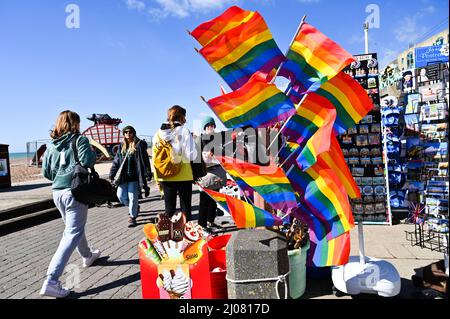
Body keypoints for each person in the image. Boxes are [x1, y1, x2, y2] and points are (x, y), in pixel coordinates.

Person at [40, 110, 101, 298]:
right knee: (71, 233)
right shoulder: (80, 140)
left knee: (73, 228)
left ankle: (87, 256)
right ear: (74, 123)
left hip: (57, 192)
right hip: (75, 191)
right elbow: (87, 160)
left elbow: (46, 173)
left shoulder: (51, 146)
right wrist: (92, 152)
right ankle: (52, 279)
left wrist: (60, 174)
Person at [152, 105, 197, 221]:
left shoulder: (158, 134)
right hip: (184, 175)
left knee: (169, 209)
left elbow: (155, 158)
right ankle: (186, 234)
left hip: (166, 175)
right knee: (185, 208)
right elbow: (192, 155)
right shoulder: (184, 131)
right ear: (182, 117)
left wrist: (157, 178)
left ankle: (169, 235)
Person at [109, 125, 151, 227]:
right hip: (123, 177)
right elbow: (116, 162)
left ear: (134, 133)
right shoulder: (121, 146)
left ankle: (132, 217)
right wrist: (112, 174)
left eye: (130, 132)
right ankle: (135, 207)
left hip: (134, 177)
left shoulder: (139, 145)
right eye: (126, 132)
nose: (128, 134)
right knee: (121, 196)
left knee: (132, 198)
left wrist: (148, 172)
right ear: (123, 134)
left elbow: (145, 160)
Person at [197, 116, 227, 231]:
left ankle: (211, 222)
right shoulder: (200, 139)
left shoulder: (217, 139)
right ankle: (202, 225)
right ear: (204, 128)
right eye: (208, 126)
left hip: (217, 173)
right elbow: (196, 158)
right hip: (205, 174)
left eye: (213, 125)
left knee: (214, 200)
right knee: (204, 201)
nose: (211, 128)